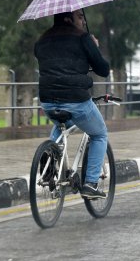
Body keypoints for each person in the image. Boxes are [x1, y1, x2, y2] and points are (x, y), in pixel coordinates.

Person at [34, 10, 110, 199]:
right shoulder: (83, 38)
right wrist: (93, 47)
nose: (83, 21)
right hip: (76, 100)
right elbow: (103, 69)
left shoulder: (41, 41)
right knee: (100, 134)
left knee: (63, 125)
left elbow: (58, 63)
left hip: (47, 101)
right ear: (67, 19)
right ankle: (91, 184)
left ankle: (50, 164)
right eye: (80, 17)